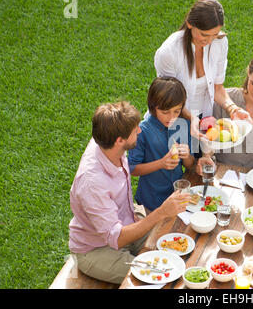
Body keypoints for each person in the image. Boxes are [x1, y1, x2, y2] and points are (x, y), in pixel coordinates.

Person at [68, 101, 190, 284]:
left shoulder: (108, 142)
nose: (139, 131)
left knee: (177, 246)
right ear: (120, 140)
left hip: (126, 221)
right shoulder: (92, 183)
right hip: (96, 249)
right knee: (157, 275)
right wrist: (162, 211)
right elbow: (116, 238)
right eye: (135, 131)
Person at [153, 0, 253, 143]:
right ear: (189, 24)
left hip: (205, 118)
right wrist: (192, 119)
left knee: (200, 162)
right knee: (175, 160)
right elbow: (169, 98)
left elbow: (217, 87)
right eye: (204, 34)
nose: (209, 41)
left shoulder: (220, 42)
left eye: (214, 34)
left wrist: (233, 108)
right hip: (172, 117)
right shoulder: (169, 52)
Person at [196, 52, 253, 173]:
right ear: (248, 72)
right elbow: (209, 137)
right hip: (221, 171)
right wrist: (206, 156)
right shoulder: (225, 100)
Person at [128, 77, 194, 214]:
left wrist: (187, 156)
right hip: (151, 201)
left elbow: (189, 165)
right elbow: (132, 169)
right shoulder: (142, 131)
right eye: (165, 112)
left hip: (177, 196)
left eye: (177, 111)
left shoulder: (182, 125)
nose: (171, 117)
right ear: (153, 107)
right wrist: (161, 163)